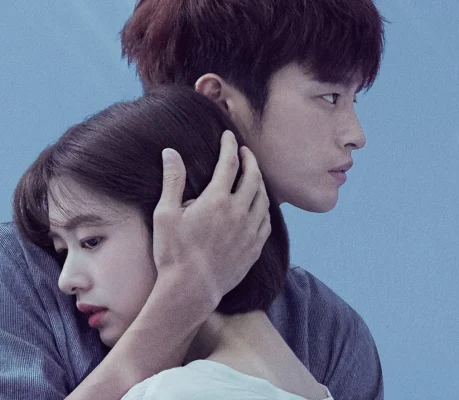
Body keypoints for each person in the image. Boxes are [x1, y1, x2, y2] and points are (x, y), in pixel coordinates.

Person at [0, 0, 386, 399]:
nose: (356, 134)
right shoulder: (21, 275)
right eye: (330, 96)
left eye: (353, 99)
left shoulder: (327, 330)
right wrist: (184, 299)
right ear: (217, 100)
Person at [15, 85, 331, 400]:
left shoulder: (175, 392)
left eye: (91, 241)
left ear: (197, 221)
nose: (66, 281)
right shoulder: (314, 390)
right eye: (62, 251)